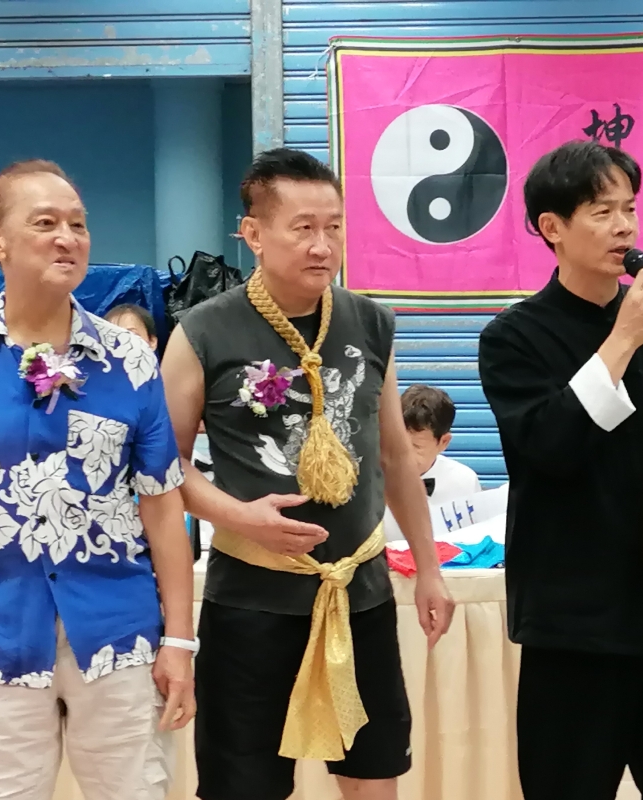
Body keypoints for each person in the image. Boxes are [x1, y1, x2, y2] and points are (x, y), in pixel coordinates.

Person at [0, 159, 195, 800]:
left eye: (78, 225)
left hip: (120, 634)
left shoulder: (131, 360)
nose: (67, 239)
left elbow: (163, 507)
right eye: (46, 223)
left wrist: (180, 639)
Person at [161, 147, 454, 800]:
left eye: (334, 227)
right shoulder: (202, 332)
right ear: (253, 233)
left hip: (360, 594)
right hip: (251, 599)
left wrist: (429, 568)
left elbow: (394, 457)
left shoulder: (370, 322)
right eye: (303, 228)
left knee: (373, 774)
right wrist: (240, 517)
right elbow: (161, 466)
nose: (323, 246)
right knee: (245, 784)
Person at [478, 140, 643, 800]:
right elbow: (548, 448)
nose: (625, 227)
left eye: (630, 208)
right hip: (575, 627)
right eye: (602, 212)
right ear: (552, 227)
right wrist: (622, 339)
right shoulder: (514, 336)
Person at [383, 384, 482, 542]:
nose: (403, 455)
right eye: (399, 443)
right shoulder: (371, 478)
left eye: (415, 447)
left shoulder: (465, 481)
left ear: (444, 442)